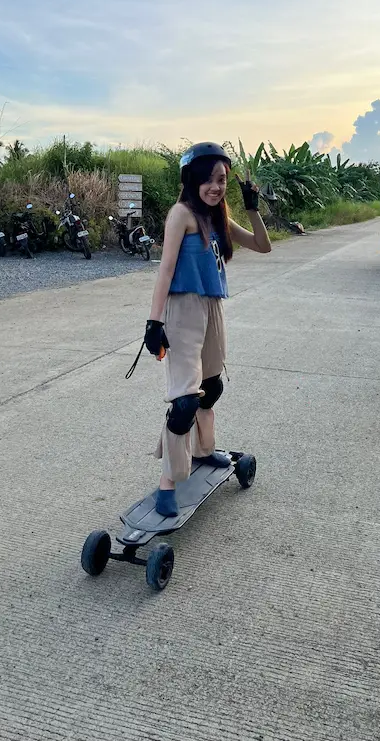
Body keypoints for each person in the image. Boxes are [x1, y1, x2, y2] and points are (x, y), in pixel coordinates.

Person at [143, 141, 271, 517]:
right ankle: (168, 484)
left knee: (211, 387)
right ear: (193, 179)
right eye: (209, 180)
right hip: (182, 308)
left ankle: (203, 450)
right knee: (184, 401)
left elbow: (263, 246)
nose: (216, 187)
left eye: (222, 181)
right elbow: (165, 269)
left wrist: (252, 208)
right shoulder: (181, 214)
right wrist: (154, 321)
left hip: (212, 306)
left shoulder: (218, 217)